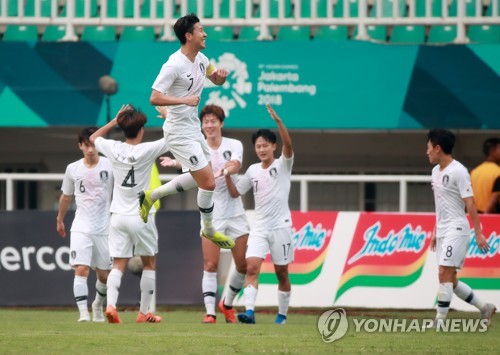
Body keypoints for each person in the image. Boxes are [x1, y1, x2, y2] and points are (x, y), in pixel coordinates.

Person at [139, 13, 235, 251]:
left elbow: (215, 78)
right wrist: (182, 100)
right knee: (209, 183)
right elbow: (154, 97)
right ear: (189, 35)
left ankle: (152, 195)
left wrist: (221, 78)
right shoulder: (173, 64)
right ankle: (209, 229)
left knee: (201, 178)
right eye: (201, 30)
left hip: (192, 128)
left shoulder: (202, 58)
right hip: (178, 133)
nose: (205, 33)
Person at [155, 105, 249, 324]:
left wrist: (226, 169)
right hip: (212, 216)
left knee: (242, 265)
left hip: (236, 213)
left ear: (221, 123)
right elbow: (191, 164)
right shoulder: (198, 146)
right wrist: (176, 163)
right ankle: (210, 313)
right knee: (210, 265)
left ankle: (226, 304)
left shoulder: (234, 144)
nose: (209, 125)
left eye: (213, 121)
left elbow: (236, 164)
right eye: (205, 121)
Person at [89, 104, 168, 324]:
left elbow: (94, 137)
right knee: (149, 264)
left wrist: (115, 120)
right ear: (141, 129)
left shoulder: (113, 147)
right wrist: (167, 116)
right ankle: (144, 313)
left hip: (117, 216)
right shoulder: (148, 149)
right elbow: (175, 136)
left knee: (118, 265)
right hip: (140, 214)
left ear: (124, 130)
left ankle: (111, 306)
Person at [225, 105, 294, 325]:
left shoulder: (283, 164)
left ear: (274, 146)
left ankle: (281, 316)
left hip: (281, 227)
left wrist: (279, 122)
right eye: (258, 146)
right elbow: (236, 192)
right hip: (259, 228)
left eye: (265, 145)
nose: (262, 149)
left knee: (281, 273)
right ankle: (250, 312)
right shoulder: (253, 170)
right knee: (252, 267)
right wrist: (227, 174)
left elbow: (289, 145)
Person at [426, 129, 496, 328]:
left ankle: (439, 322)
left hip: (457, 228)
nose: (427, 152)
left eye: (429, 148)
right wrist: (435, 231)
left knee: (443, 272)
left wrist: (479, 232)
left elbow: (470, 203)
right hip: (443, 230)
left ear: (438, 148)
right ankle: (485, 307)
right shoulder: (435, 172)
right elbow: (441, 205)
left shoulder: (459, 171)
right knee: (452, 280)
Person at [57, 127, 113, 323]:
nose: (90, 149)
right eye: (86, 145)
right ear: (80, 146)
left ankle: (98, 304)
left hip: (105, 228)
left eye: (93, 145)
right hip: (81, 226)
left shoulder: (110, 164)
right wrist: (60, 219)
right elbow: (66, 196)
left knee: (105, 276)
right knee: (81, 269)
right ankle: (83, 313)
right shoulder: (73, 169)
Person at [470, 138, 500, 214]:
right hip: (492, 218)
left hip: (475, 216)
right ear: (493, 151)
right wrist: (485, 217)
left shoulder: (474, 172)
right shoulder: (498, 172)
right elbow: (494, 199)